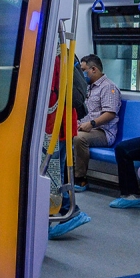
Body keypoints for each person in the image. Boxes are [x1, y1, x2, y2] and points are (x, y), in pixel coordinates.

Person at [45, 53, 90, 239]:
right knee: (60, 170)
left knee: (52, 172)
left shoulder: (51, 59)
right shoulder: (65, 56)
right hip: (63, 123)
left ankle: (61, 213)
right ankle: (68, 210)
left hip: (54, 125)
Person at [71, 55, 121, 191]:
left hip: (103, 132)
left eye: (83, 70)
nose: (81, 74)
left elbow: (110, 113)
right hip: (85, 127)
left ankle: (80, 179)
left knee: (79, 138)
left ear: (94, 69)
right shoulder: (86, 87)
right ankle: (65, 176)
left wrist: (91, 124)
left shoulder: (108, 87)